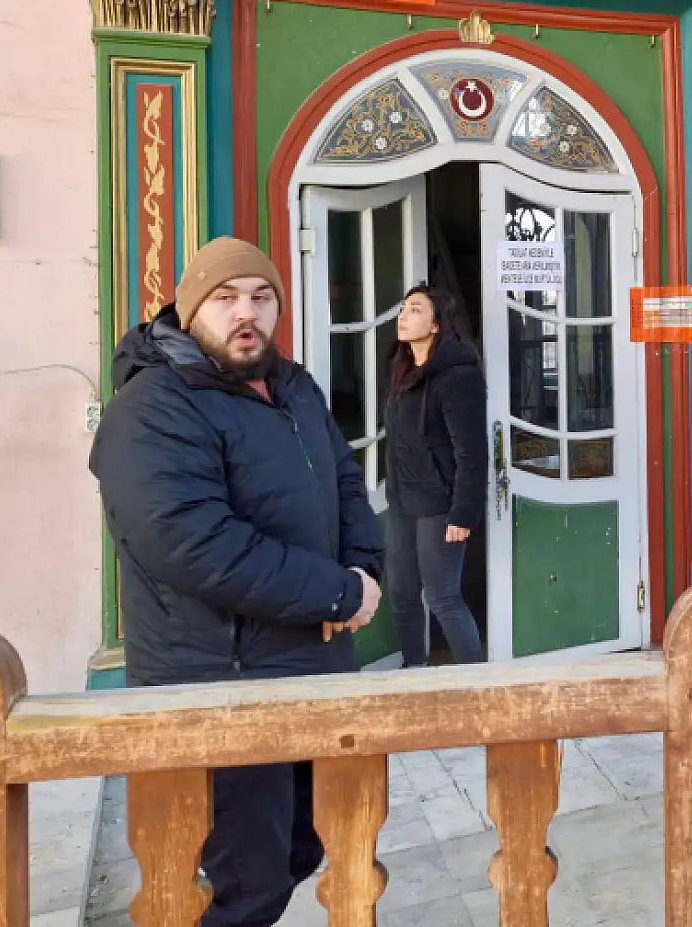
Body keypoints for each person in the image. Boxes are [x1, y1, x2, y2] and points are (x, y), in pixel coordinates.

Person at [90, 237, 385, 927]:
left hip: (307, 669)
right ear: (191, 311)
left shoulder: (293, 385)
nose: (245, 313)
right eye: (225, 299)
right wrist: (338, 593)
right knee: (244, 886)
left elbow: (345, 483)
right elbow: (191, 542)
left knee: (299, 850)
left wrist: (365, 568)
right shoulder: (153, 408)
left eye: (262, 297)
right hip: (221, 682)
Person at [383, 283, 488, 666]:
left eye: (414, 310)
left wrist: (463, 513)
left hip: (440, 505)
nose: (403, 316)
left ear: (436, 324)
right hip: (403, 500)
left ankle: (475, 685)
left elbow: (472, 453)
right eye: (403, 309)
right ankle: (415, 673)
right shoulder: (403, 372)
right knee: (402, 594)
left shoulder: (459, 376)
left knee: (443, 596)